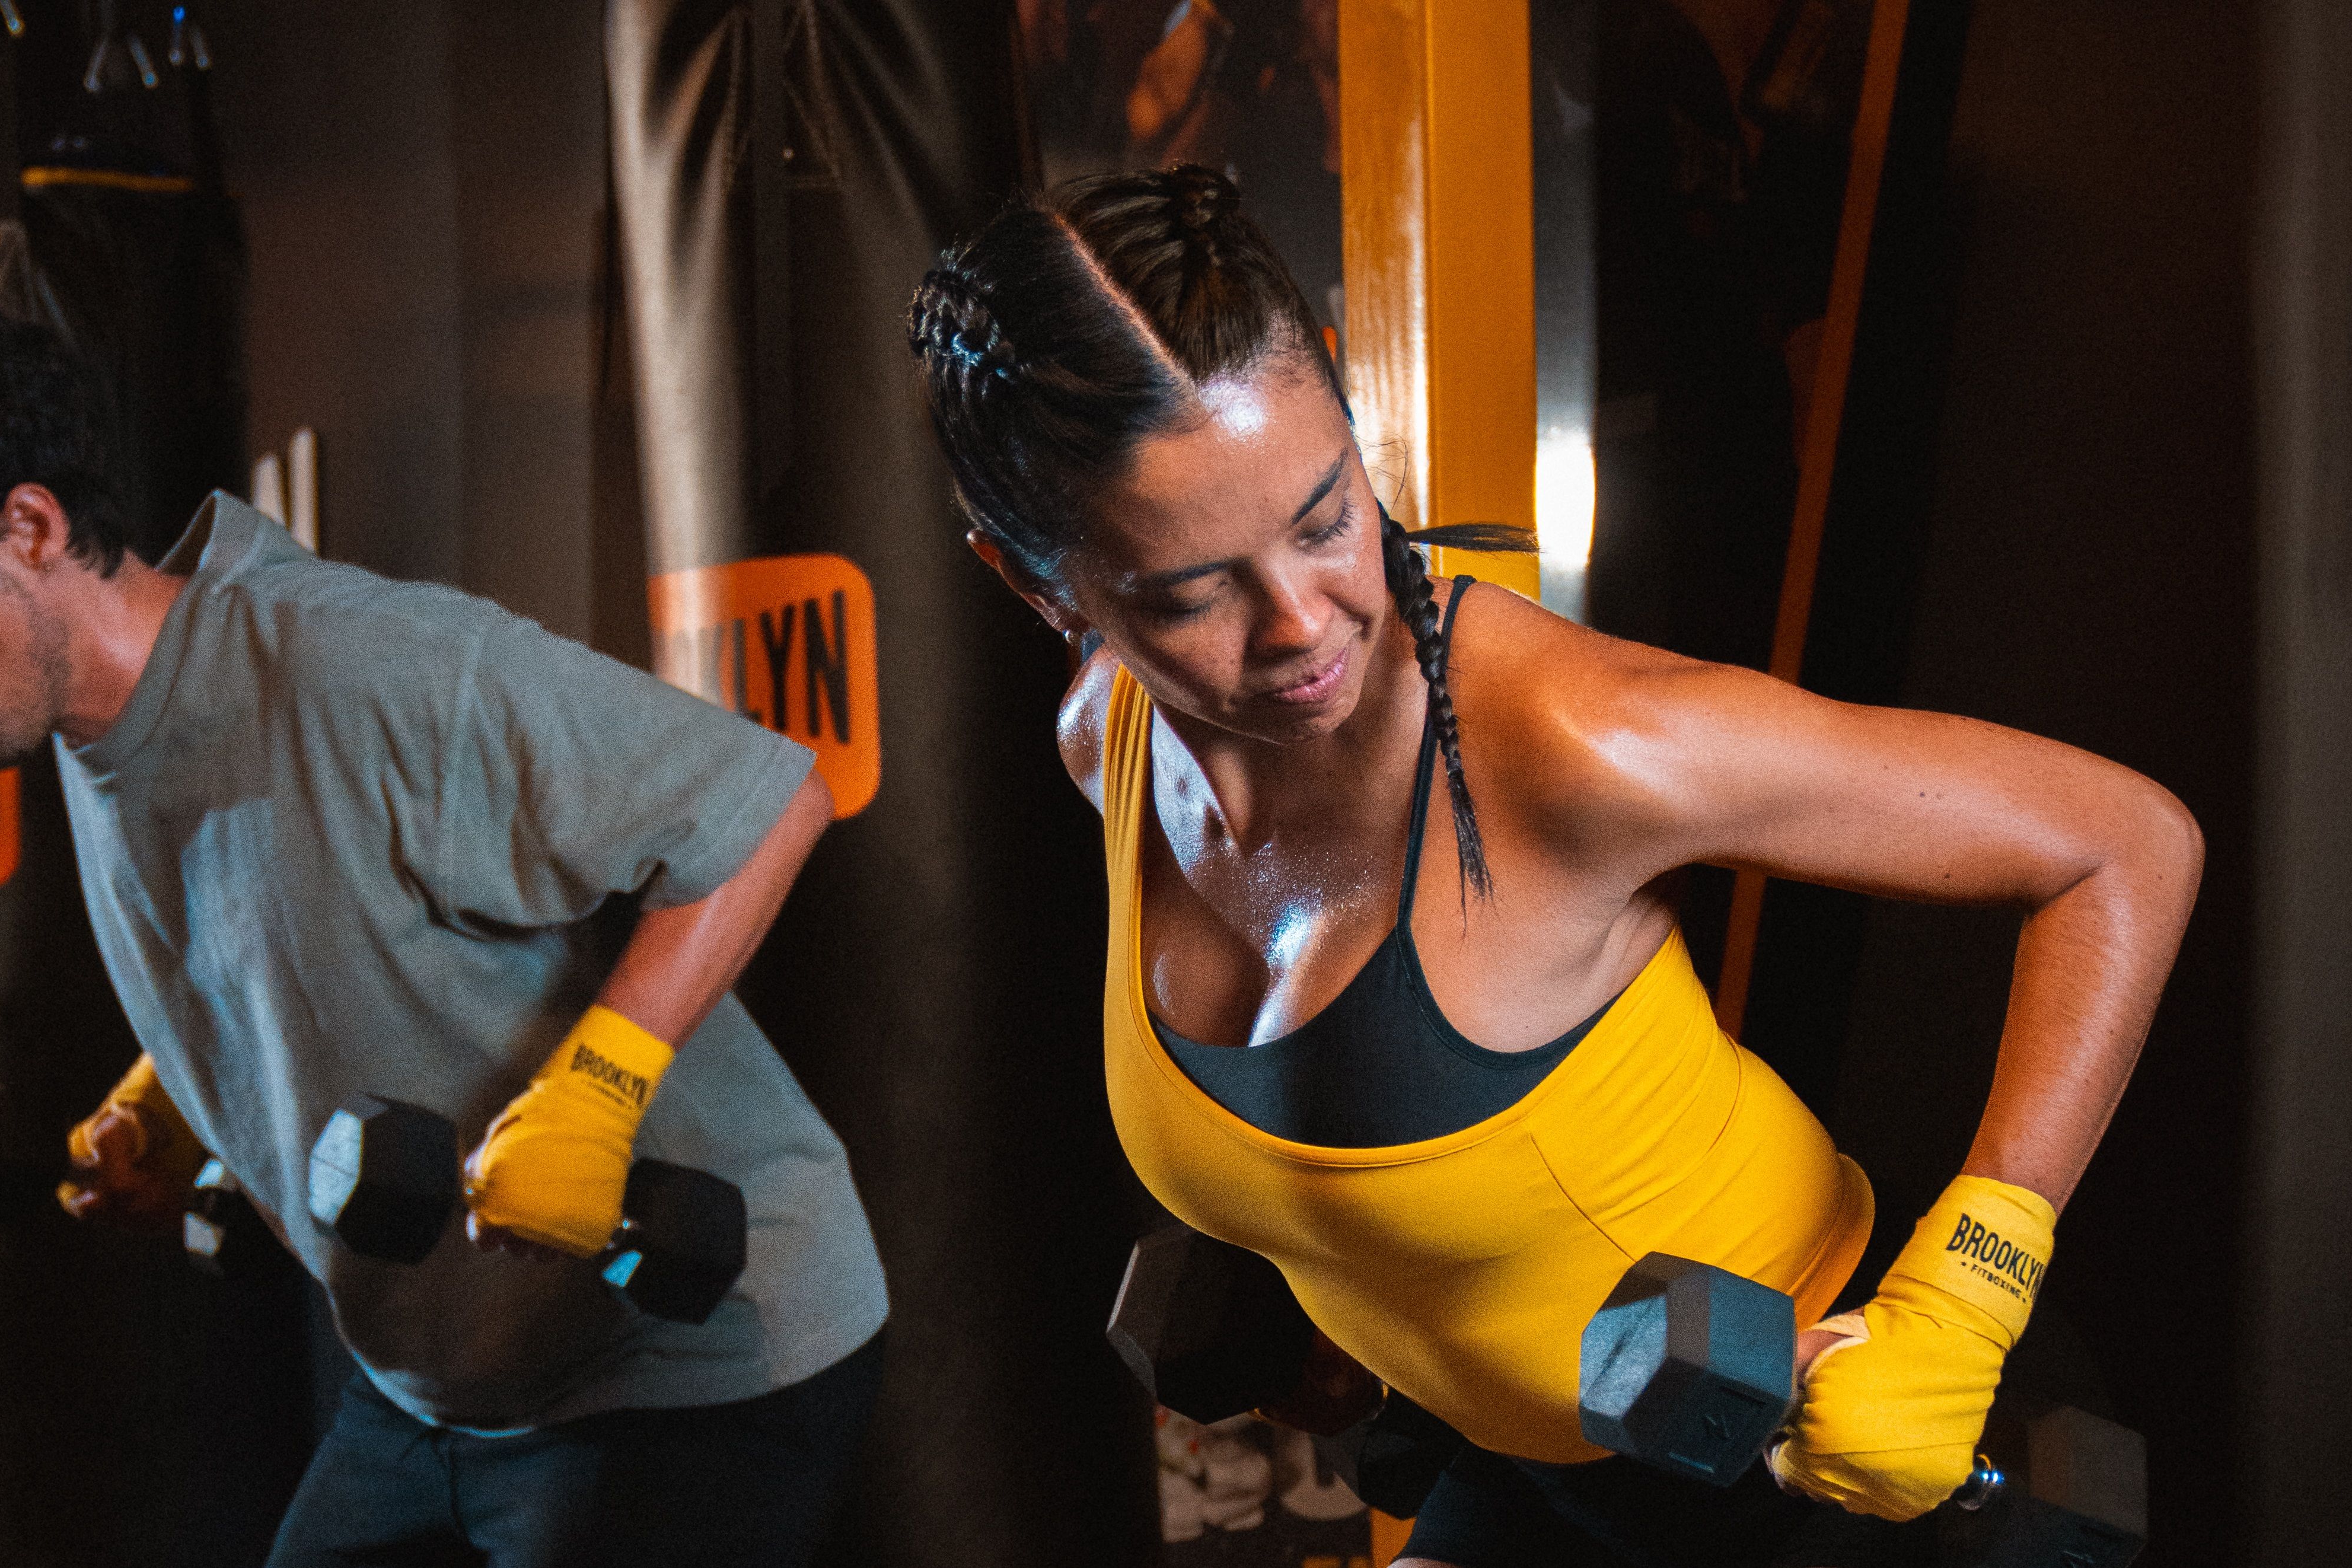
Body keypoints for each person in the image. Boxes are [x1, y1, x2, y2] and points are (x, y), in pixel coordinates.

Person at [906, 165, 2199, 1568]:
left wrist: (1969, 1288)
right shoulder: (1109, 742)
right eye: (1191, 588)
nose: (1300, 621)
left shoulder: (1568, 743)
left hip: (1839, 1463)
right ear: (1035, 583)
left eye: (1325, 512)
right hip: (1544, 1469)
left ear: (1344, 415)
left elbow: (2119, 843)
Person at [0, 294, 888, 1568]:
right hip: (430, 1381)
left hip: (681, 1363)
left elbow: (767, 796)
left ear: (30, 529)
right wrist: (185, 1090)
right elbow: (299, 904)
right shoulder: (92, 732)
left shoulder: (363, 665)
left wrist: (600, 1087)